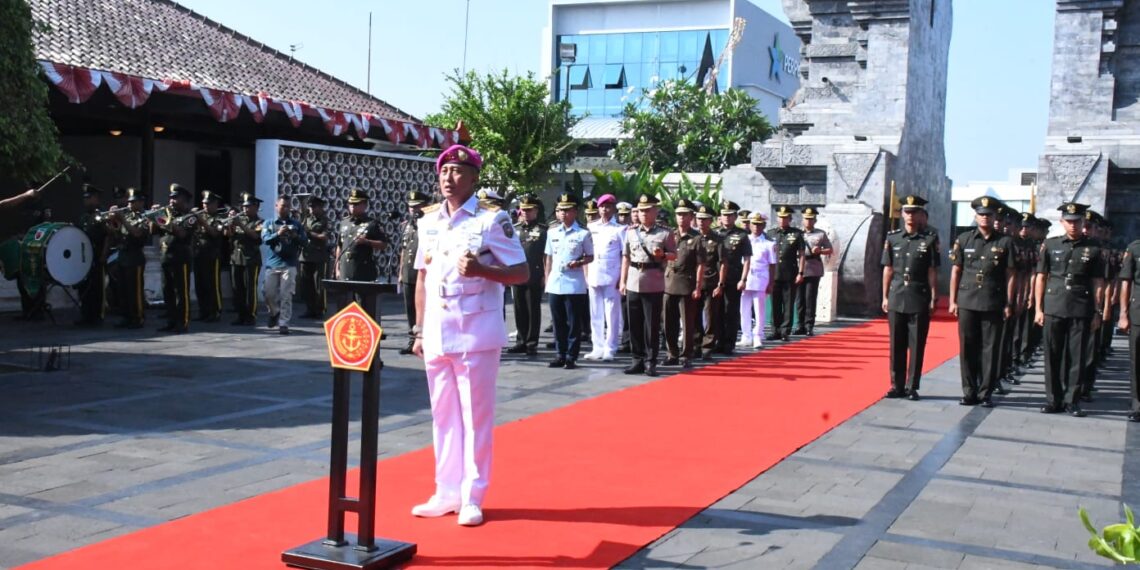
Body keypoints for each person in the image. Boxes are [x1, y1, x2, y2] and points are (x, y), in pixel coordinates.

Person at [410, 144, 528, 527]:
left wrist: (482, 271)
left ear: (475, 178)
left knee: (476, 418)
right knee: (442, 416)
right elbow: (422, 277)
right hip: (437, 333)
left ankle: (472, 495)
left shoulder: (492, 220)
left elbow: (522, 273)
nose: (448, 178)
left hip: (476, 332)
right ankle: (445, 491)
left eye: (458, 172)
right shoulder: (428, 220)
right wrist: (418, 329)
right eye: (444, 171)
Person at [1036, 202, 1106, 417]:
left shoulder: (1093, 248)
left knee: (1077, 356)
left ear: (1083, 222)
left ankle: (1072, 400)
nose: (1073, 225)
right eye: (1069, 221)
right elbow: (1041, 277)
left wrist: (1097, 311)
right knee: (1052, 354)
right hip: (1054, 305)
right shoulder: (1050, 244)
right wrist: (1038, 309)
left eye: (1077, 221)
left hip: (1080, 307)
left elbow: (1098, 282)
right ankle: (1053, 399)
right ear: (1062, 222)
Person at [950, 196, 1016, 408]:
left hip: (992, 300)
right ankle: (969, 391)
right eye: (981, 214)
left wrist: (1008, 302)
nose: (984, 218)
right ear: (975, 216)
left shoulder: (1005, 242)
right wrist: (953, 300)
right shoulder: (964, 239)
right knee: (968, 347)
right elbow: (956, 271)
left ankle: (985, 392)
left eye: (988, 215)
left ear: (995, 216)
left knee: (990, 348)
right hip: (967, 300)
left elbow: (1011, 275)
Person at [882, 195, 940, 400]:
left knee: (916, 344)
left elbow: (932, 270)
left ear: (921, 215)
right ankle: (895, 385)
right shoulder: (893, 238)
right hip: (897, 294)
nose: (910, 215)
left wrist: (934, 296)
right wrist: (885, 296)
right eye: (907, 211)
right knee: (896, 343)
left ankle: (911, 385)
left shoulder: (929, 239)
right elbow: (887, 269)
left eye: (914, 211)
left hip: (919, 294)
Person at [620, 193, 677, 376]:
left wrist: (662, 255)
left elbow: (673, 255)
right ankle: (637, 359)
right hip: (634, 280)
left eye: (647, 210)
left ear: (655, 211)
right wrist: (622, 280)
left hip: (653, 281)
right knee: (634, 324)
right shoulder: (631, 232)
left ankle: (650, 361)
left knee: (651, 325)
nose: (643, 214)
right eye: (641, 211)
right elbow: (626, 257)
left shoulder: (665, 232)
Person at [544, 193, 594, 369]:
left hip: (574, 283)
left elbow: (590, 257)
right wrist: (546, 278)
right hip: (555, 282)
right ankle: (560, 354)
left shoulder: (583, 234)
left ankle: (571, 356)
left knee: (573, 323)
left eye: (567, 210)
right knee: (558, 322)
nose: (563, 214)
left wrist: (578, 262)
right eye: (561, 210)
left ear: (575, 212)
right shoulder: (552, 232)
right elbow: (549, 257)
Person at [663, 198, 706, 367]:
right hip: (669, 282)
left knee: (687, 323)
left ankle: (686, 355)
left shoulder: (696, 238)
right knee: (668, 322)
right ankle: (671, 353)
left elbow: (700, 264)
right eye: (679, 215)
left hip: (687, 283)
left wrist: (697, 286)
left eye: (685, 215)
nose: (681, 218)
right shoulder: (670, 235)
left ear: (691, 216)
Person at [583, 193, 624, 361]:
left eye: (608, 206)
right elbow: (586, 252)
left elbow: (624, 255)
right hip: (593, 274)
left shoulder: (620, 229)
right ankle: (597, 346)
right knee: (595, 314)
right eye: (602, 206)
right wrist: (585, 275)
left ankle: (610, 347)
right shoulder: (591, 227)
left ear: (614, 209)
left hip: (612, 276)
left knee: (612, 314)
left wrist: (621, 279)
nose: (605, 209)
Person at [260, 196, 307, 334]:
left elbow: (304, 241)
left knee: (286, 295)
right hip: (273, 264)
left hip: (289, 264)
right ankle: (274, 312)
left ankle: (284, 322)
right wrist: (278, 233)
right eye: (282, 205)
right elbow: (265, 239)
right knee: (268, 293)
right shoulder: (269, 223)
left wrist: (294, 236)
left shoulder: (296, 224)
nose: (284, 208)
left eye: (287, 206)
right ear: (276, 206)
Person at [508, 194, 547, 356]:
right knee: (519, 309)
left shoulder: (543, 231)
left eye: (529, 210)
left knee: (533, 310)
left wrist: (545, 274)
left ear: (536, 211)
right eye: (523, 210)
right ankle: (521, 340)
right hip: (517, 274)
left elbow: (547, 255)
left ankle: (532, 343)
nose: (525, 213)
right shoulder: (514, 229)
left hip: (534, 274)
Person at [153, 184, 194, 333]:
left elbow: (182, 234)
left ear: (184, 200)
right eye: (170, 198)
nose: (171, 201)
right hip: (166, 257)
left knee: (180, 292)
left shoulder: (189, 217)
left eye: (175, 198)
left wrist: (163, 218)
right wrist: (154, 216)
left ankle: (182, 322)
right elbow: (154, 231)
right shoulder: (167, 215)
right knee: (167, 291)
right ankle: (171, 321)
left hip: (180, 258)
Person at [717, 201, 751, 354]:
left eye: (729, 215)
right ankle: (717, 341)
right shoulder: (715, 233)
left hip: (733, 276)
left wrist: (743, 279)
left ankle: (729, 343)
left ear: (735, 216)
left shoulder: (742, 235)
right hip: (715, 277)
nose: (726, 218)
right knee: (716, 311)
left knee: (731, 310)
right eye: (724, 215)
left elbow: (747, 259)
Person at [397, 191, 429, 353]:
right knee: (410, 308)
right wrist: (401, 271)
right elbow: (404, 249)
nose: (413, 210)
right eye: (410, 207)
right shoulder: (406, 225)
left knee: (424, 308)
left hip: (424, 273)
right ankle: (412, 340)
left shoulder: (431, 225)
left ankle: (424, 340)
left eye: (417, 206)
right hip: (409, 271)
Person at [766, 206, 805, 341]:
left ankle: (785, 330)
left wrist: (801, 272)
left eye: (785, 218)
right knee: (775, 303)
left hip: (790, 273)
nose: (782, 220)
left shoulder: (797, 234)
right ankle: (775, 329)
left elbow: (801, 255)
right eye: (780, 217)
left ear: (789, 219)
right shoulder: (770, 234)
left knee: (788, 303)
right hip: (774, 273)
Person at [114, 188, 150, 329]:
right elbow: (117, 234)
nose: (129, 204)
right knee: (123, 290)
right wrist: (113, 221)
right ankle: (126, 317)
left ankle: (138, 317)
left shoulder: (144, 217)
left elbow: (136, 233)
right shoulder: (127, 215)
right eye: (129, 201)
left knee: (135, 290)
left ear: (141, 202)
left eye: (133, 201)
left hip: (135, 256)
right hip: (123, 255)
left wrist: (122, 219)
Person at [695, 204, 727, 360]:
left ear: (711, 221)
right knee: (694, 315)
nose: (701, 222)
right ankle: (695, 345)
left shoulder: (718, 240)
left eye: (705, 219)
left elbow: (723, 264)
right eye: (699, 219)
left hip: (711, 281)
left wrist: (721, 284)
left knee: (710, 316)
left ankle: (707, 347)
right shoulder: (693, 238)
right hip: (694, 283)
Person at [335, 188, 388, 281]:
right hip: (345, 271)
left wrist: (367, 242)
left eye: (356, 204)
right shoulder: (344, 222)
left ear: (364, 205)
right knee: (347, 296)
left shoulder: (372, 223)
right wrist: (337, 269)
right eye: (350, 203)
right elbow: (339, 246)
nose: (352, 206)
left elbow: (383, 245)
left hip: (363, 272)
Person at [227, 193, 263, 326]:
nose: (244, 209)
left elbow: (255, 236)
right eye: (243, 206)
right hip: (236, 258)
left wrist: (240, 225)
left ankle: (251, 315)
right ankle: (240, 314)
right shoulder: (240, 219)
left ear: (256, 207)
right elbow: (228, 235)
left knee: (250, 289)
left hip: (251, 258)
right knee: (237, 288)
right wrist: (230, 225)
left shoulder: (260, 222)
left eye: (248, 207)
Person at [795, 207, 833, 336]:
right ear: (802, 220)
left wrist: (820, 251)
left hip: (813, 267)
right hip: (798, 267)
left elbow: (829, 249)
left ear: (815, 220)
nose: (808, 222)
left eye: (811, 219)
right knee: (799, 299)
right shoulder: (797, 233)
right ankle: (799, 324)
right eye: (806, 219)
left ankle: (809, 325)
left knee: (810, 298)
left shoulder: (820, 234)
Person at [75, 184, 108, 327]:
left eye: (89, 198)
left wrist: (104, 255)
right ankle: (86, 315)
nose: (86, 201)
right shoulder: (83, 217)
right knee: (84, 288)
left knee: (97, 288)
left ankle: (97, 316)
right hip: (84, 257)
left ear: (96, 198)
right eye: (84, 198)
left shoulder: (101, 214)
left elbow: (109, 235)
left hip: (97, 254)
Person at [740, 212, 774, 348]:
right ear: (750, 224)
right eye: (754, 224)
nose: (756, 227)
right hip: (745, 278)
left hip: (760, 279)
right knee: (744, 308)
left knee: (759, 309)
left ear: (764, 225)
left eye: (760, 224)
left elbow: (772, 265)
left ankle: (758, 335)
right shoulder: (744, 240)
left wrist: (771, 283)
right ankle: (746, 335)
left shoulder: (769, 244)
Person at [192, 190, 225, 323]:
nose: (205, 206)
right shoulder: (201, 216)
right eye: (204, 204)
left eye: (209, 204)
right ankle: (203, 311)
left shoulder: (220, 218)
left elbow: (214, 233)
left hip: (212, 255)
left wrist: (201, 221)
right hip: (199, 254)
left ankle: (215, 311)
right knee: (200, 284)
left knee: (212, 285)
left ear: (215, 204)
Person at [1117, 234, 1140, 422]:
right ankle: (1137, 404)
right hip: (1138, 312)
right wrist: (1123, 313)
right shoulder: (1134, 248)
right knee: (1137, 360)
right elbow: (1126, 282)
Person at [298, 196, 333, 319]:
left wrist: (309, 233)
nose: (311, 209)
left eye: (314, 207)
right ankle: (309, 308)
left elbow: (324, 237)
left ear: (320, 207)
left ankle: (320, 309)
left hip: (319, 256)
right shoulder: (307, 218)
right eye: (310, 207)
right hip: (306, 255)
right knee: (306, 284)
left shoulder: (325, 220)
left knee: (319, 284)